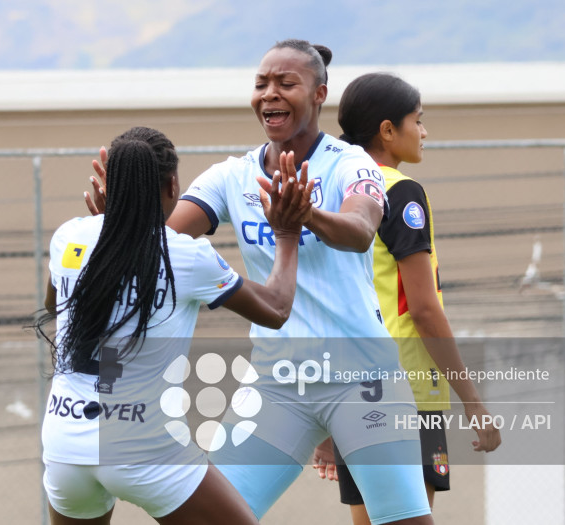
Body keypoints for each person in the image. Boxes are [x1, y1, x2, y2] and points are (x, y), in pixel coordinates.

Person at [87, 41, 436, 524]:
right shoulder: (232, 176)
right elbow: (161, 241)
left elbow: (360, 232)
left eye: (286, 84)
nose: (269, 94)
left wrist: (304, 214)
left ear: (319, 94)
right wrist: (120, 222)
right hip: (276, 386)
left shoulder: (350, 163)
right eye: (261, 84)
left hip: (364, 381)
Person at [38, 125, 314, 524]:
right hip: (143, 445)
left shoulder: (69, 237)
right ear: (173, 185)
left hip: (65, 442)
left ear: (109, 186)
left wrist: (108, 243)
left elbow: (55, 304)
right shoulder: (185, 255)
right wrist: (287, 233)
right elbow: (275, 309)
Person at [311, 73, 502, 524]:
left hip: (349, 387)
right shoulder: (400, 191)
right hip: (407, 389)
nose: (425, 131)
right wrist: (472, 402)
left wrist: (324, 418)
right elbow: (423, 309)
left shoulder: (334, 188)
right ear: (388, 130)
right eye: (418, 120)